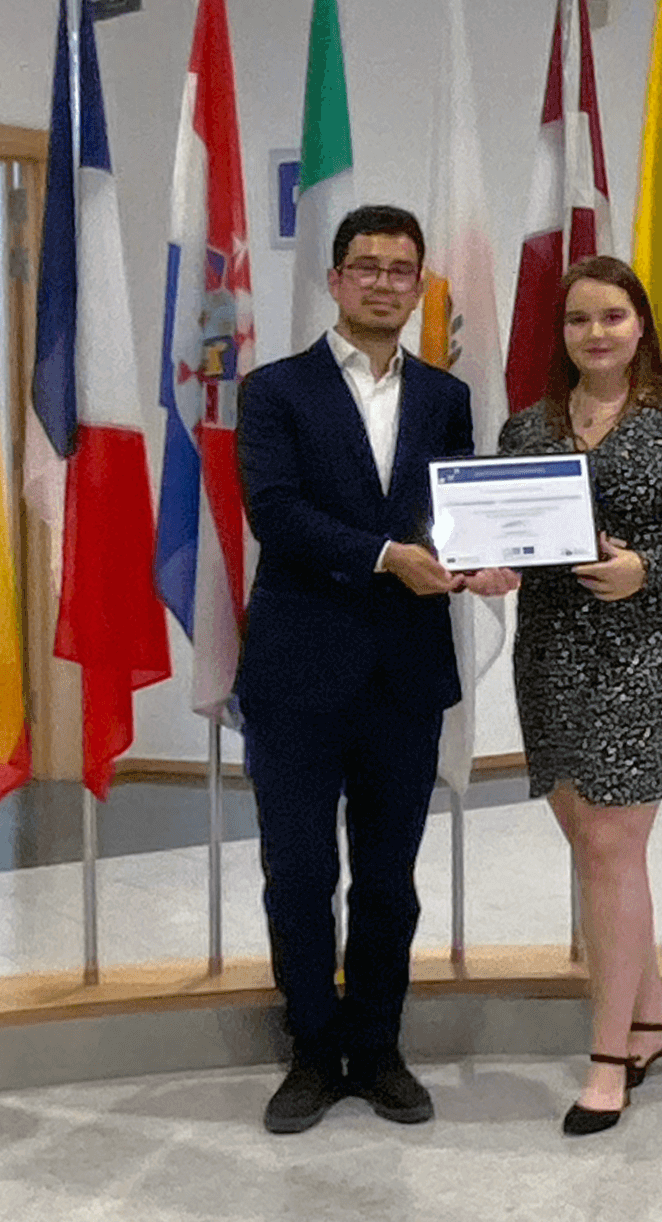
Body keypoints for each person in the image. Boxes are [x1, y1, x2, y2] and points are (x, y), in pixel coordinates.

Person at [233, 202, 509, 1134]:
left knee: (389, 877)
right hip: (296, 676)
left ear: (418, 281)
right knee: (300, 872)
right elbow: (275, 514)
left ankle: (379, 1046)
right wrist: (392, 556)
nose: (385, 282)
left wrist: (478, 560)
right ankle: (312, 1052)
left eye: (401, 268)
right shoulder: (273, 391)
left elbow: (453, 512)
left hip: (403, 676)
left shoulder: (444, 396)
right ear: (335, 279)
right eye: (367, 266)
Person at [490, 255, 662, 1135]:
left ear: (641, 323)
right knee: (593, 843)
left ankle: (606, 1062)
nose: (594, 333)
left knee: (610, 841)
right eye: (577, 320)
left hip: (647, 648)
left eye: (611, 316)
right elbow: (506, 531)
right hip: (552, 649)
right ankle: (649, 1018)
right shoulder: (527, 428)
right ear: (561, 334)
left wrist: (649, 566)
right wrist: (487, 564)